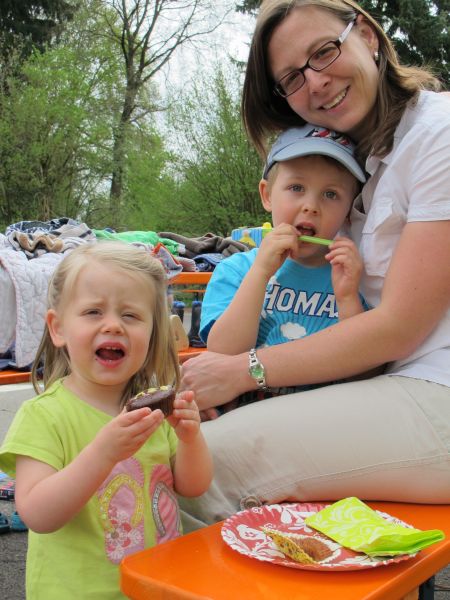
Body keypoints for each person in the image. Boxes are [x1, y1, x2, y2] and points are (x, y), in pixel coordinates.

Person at [179, 0, 450, 528]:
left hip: (436, 392)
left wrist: (239, 373)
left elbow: (399, 327)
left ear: (366, 35)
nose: (316, 83)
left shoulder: (438, 133)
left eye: (324, 52)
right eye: (292, 79)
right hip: (390, 388)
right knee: (180, 441)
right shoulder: (365, 160)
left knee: (193, 468)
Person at [0, 242, 212, 599]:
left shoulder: (153, 410)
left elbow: (193, 486)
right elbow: (37, 513)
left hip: (154, 586)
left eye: (130, 315)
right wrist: (103, 453)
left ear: (152, 332)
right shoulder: (45, 415)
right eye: (93, 312)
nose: (113, 325)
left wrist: (191, 439)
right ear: (58, 328)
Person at [202, 124, 369, 414]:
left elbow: (365, 373)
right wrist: (260, 273)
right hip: (247, 414)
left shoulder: (350, 276)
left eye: (331, 194)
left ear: (349, 211)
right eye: (296, 188)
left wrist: (346, 299)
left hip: (324, 418)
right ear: (267, 194)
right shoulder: (236, 270)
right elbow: (222, 354)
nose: (311, 206)